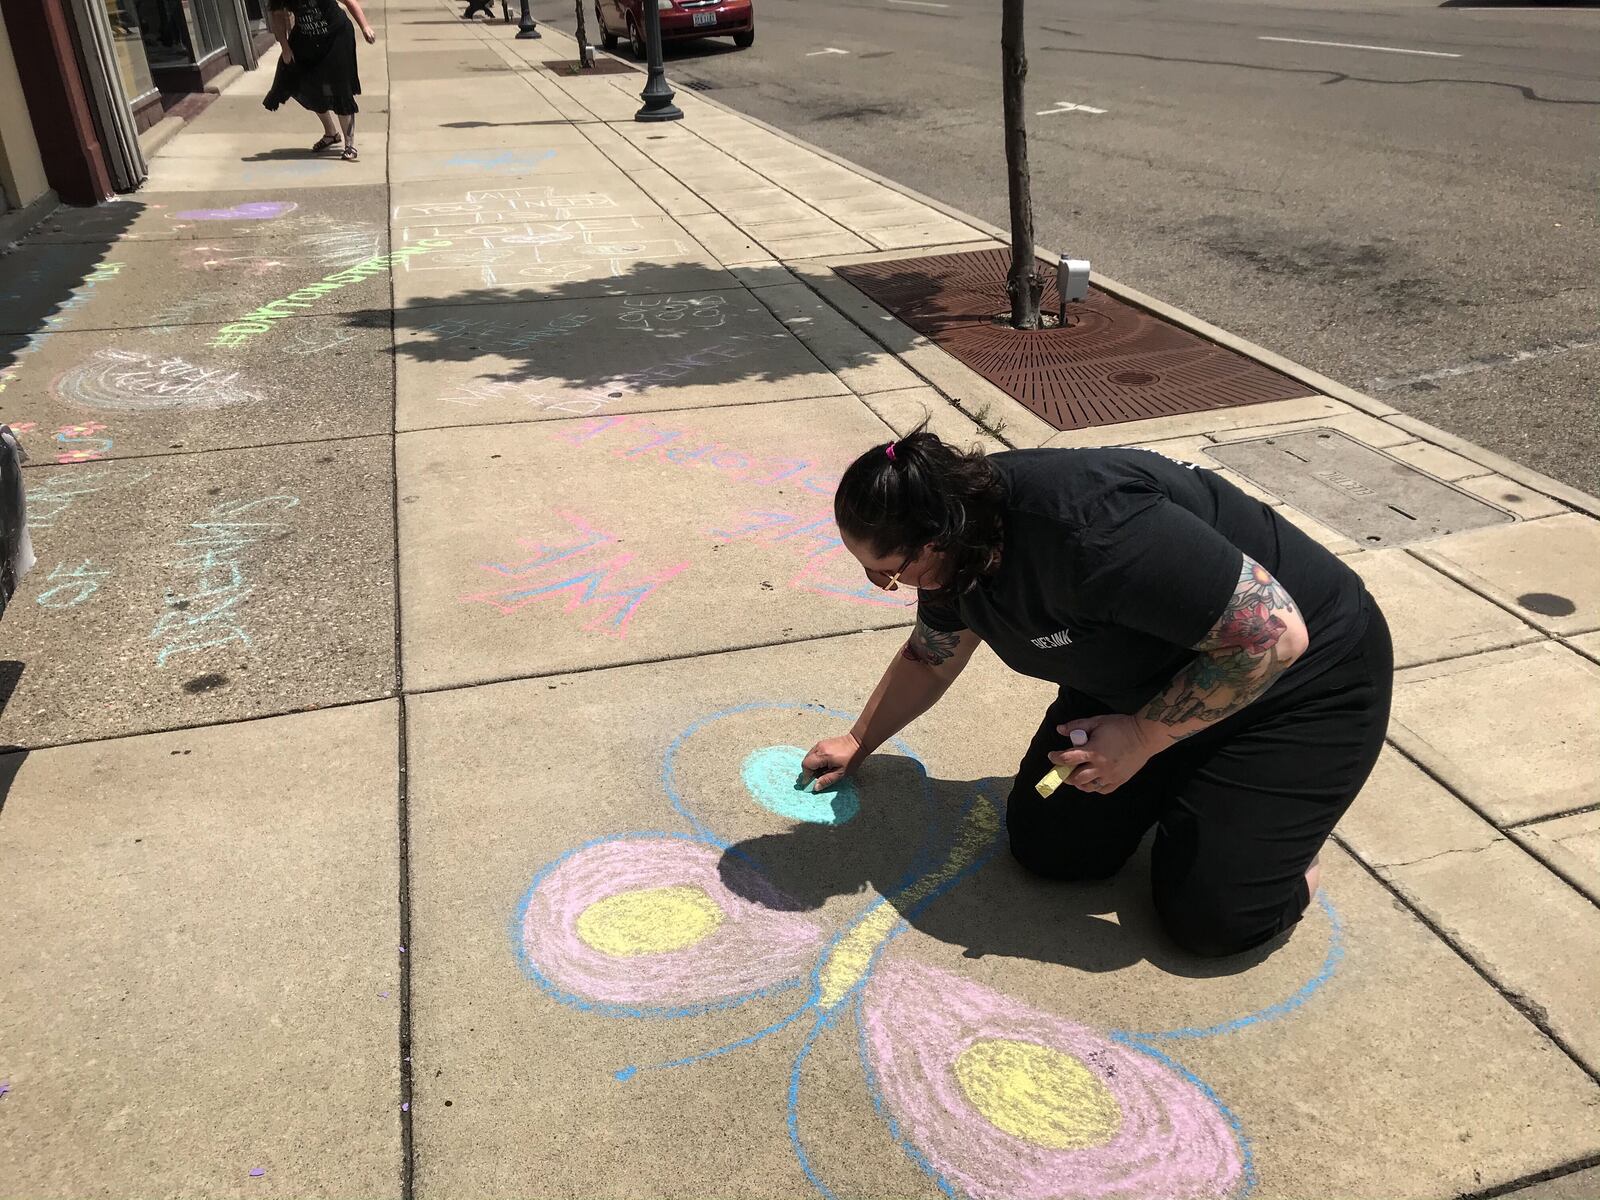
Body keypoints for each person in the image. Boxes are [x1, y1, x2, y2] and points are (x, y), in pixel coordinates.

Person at [802, 427, 1393, 959]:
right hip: (1141, 684)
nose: (883, 584)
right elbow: (931, 659)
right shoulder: (952, 556)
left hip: (1300, 682)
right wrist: (860, 740)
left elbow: (1273, 638)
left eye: (888, 570)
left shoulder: (1093, 530)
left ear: (936, 537)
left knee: (1213, 919)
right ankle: (1192, 780)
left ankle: (1284, 847)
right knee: (1049, 843)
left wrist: (1142, 737)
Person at [263, 0, 376, 162]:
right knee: (308, 84)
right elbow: (277, 17)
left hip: (337, 36)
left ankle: (349, 144)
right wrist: (285, 48)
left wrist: (365, 26)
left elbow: (350, 2)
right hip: (307, 39)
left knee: (339, 86)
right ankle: (331, 133)